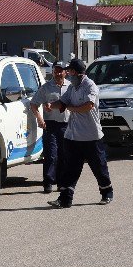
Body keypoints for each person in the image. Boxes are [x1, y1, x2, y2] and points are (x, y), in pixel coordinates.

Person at [49, 58, 113, 208]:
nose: (68, 74)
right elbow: (63, 103)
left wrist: (71, 108)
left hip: (91, 136)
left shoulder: (90, 86)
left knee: (99, 167)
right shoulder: (72, 87)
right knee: (70, 168)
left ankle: (107, 193)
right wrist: (50, 106)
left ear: (77, 73)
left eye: (70, 71)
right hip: (73, 136)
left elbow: (88, 106)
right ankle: (65, 199)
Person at [30, 61, 70, 194]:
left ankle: (61, 182)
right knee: (51, 155)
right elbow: (34, 104)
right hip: (50, 125)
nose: (58, 73)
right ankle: (48, 182)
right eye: (55, 70)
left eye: (60, 71)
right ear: (53, 71)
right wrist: (39, 119)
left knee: (64, 155)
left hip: (66, 125)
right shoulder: (46, 87)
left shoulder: (70, 87)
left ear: (65, 72)